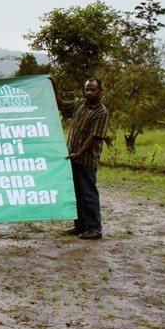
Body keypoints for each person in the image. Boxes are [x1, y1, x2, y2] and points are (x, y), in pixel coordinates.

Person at [50, 77, 109, 240]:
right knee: (76, 193)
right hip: (72, 157)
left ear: (100, 91)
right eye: (87, 89)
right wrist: (53, 86)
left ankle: (95, 228)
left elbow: (94, 137)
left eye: (93, 90)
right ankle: (80, 225)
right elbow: (61, 105)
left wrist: (79, 153)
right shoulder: (80, 104)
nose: (89, 92)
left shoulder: (101, 112)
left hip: (86, 160)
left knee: (88, 194)